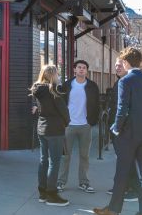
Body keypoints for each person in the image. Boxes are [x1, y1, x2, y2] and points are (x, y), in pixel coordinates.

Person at [94, 47, 142, 215]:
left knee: (122, 174)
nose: (120, 63)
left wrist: (115, 128)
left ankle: (113, 210)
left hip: (128, 135)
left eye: (121, 61)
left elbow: (122, 109)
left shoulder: (125, 81)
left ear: (126, 62)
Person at [57, 59, 100, 193]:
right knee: (65, 156)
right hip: (69, 126)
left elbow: (97, 105)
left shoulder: (92, 86)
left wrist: (91, 122)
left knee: (84, 156)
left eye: (84, 68)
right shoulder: (67, 85)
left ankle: (84, 182)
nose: (81, 69)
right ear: (74, 70)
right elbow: (60, 103)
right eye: (79, 67)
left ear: (86, 71)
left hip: (85, 126)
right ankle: (61, 182)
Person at [30, 65, 70, 207]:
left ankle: (42, 193)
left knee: (43, 160)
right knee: (54, 162)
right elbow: (64, 111)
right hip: (54, 130)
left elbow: (40, 109)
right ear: (53, 75)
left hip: (42, 129)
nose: (58, 76)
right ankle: (52, 194)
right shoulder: (54, 89)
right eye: (57, 73)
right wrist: (66, 122)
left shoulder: (37, 89)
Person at [107, 58, 140, 202]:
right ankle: (122, 186)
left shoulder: (128, 82)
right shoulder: (119, 82)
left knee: (127, 160)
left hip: (124, 129)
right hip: (117, 127)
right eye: (115, 65)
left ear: (127, 66)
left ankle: (134, 189)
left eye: (120, 65)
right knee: (123, 159)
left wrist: (119, 127)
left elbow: (128, 108)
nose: (117, 67)